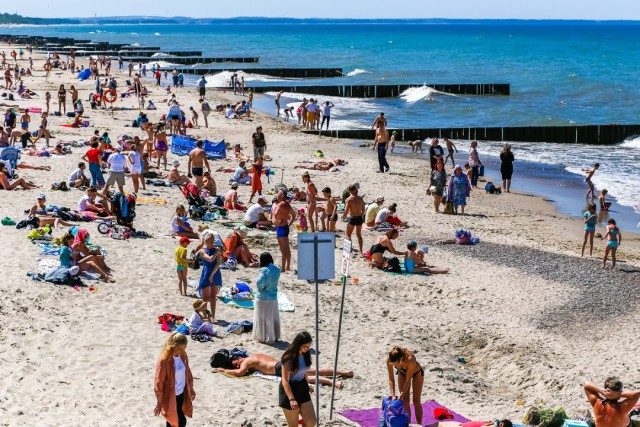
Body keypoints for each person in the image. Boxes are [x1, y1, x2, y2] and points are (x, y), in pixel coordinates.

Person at [214, 353, 352, 389]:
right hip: (281, 363)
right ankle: (345, 372)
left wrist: (223, 370)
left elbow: (239, 373)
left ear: (239, 358)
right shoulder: (254, 356)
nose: (238, 365)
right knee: (315, 370)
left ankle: (334, 383)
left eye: (236, 363)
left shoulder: (246, 362)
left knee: (307, 378)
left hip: (279, 368)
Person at [154, 332, 195, 427]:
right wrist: (159, 402)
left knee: (172, 420)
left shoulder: (183, 356)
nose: (182, 351)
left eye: (184, 349)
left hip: (181, 393)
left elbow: (187, 373)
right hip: (170, 396)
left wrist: (191, 389)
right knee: (180, 422)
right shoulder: (164, 360)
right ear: (173, 346)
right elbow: (159, 381)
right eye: (180, 349)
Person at [279, 331, 317, 427]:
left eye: (309, 346)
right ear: (298, 345)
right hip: (289, 390)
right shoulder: (288, 358)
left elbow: (304, 372)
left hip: (302, 387)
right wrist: (291, 399)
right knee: (293, 425)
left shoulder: (306, 355)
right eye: (305, 347)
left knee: (311, 422)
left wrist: (307, 385)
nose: (307, 349)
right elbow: (285, 380)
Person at [386, 346, 424, 425]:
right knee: (405, 402)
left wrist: (401, 394)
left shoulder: (409, 359)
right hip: (402, 373)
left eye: (395, 364)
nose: (394, 366)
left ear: (400, 359)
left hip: (416, 373)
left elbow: (408, 381)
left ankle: (419, 424)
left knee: (416, 401)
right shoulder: (389, 360)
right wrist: (393, 396)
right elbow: (391, 379)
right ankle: (408, 424)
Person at [253, 252, 281, 343]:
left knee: (261, 318)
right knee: (273, 318)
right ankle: (275, 336)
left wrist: (261, 287)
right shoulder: (277, 269)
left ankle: (262, 337)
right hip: (273, 297)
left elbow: (259, 282)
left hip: (263, 297)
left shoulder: (264, 270)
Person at [198, 232, 223, 321]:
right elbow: (209, 259)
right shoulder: (202, 251)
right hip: (206, 272)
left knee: (213, 296)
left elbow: (218, 263)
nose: (210, 243)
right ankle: (205, 316)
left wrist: (212, 274)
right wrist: (217, 252)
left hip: (215, 272)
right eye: (208, 242)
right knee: (205, 297)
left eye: (211, 241)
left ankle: (213, 316)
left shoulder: (216, 250)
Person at [272, 190, 296, 272]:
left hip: (281, 227)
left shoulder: (281, 204)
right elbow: (294, 214)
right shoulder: (287, 204)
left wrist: (276, 222)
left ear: (282, 195)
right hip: (285, 226)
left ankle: (283, 268)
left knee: (283, 249)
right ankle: (288, 266)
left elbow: (275, 214)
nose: (277, 195)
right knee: (287, 248)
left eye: (278, 193)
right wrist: (290, 223)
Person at [342, 184, 366, 254]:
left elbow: (346, 210)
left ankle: (349, 250)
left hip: (352, 218)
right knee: (359, 234)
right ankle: (361, 251)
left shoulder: (348, 199)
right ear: (355, 190)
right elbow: (363, 210)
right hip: (359, 218)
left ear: (349, 191)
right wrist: (360, 216)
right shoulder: (360, 199)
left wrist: (343, 217)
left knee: (348, 234)